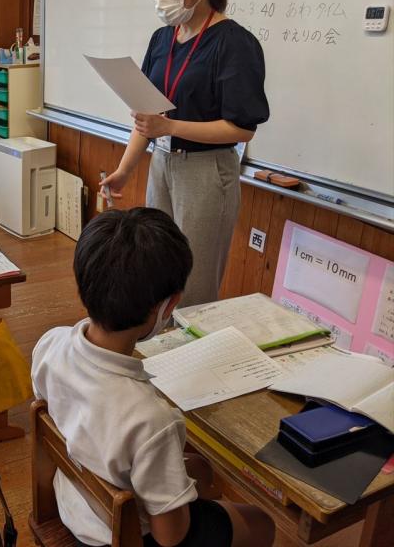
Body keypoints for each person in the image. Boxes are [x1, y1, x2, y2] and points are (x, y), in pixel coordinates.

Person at [32, 208, 275, 547]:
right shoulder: (152, 420)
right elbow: (171, 536)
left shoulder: (49, 344)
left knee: (198, 469)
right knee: (260, 523)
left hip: (74, 504)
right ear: (168, 306)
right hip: (117, 536)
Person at [101, 0, 269, 307]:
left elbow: (242, 129)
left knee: (194, 282)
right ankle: (159, 341)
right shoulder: (162, 38)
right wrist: (124, 171)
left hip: (207, 172)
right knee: (156, 269)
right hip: (161, 163)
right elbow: (147, 116)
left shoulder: (234, 43)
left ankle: (187, 344)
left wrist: (170, 126)